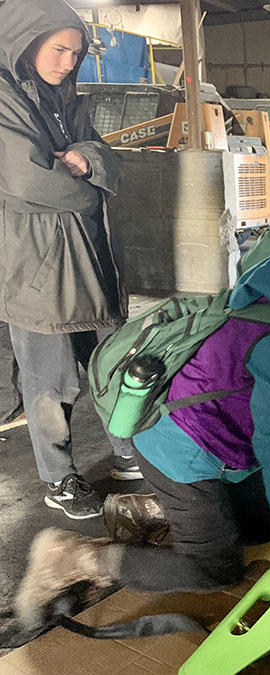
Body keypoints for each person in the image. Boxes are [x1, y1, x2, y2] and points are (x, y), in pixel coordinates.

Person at [14, 208, 270, 631]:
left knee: (258, 528)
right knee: (216, 568)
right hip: (178, 447)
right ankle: (72, 557)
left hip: (219, 442)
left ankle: (151, 511)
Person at [0, 0, 138, 520]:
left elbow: (110, 162)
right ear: (25, 41)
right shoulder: (4, 99)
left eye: (75, 54)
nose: (66, 62)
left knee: (114, 363)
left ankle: (129, 455)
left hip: (91, 257)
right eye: (58, 49)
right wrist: (89, 184)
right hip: (38, 270)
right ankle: (59, 478)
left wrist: (88, 162)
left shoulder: (66, 99)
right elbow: (27, 181)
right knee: (50, 382)